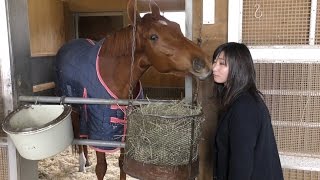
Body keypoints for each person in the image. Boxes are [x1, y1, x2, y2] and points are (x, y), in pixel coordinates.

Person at [211, 42, 283, 180]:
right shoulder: (237, 100)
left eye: (222, 64)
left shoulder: (244, 106)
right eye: (214, 62)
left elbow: (241, 162)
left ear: (238, 67)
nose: (214, 68)